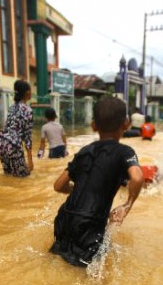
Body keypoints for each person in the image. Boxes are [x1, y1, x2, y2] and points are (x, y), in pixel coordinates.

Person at [50, 97, 144, 267]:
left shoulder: (85, 151)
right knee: (88, 278)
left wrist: (79, 190)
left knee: (58, 262)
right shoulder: (125, 152)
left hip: (64, 219)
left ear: (93, 125)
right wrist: (127, 205)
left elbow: (59, 185)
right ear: (126, 124)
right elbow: (137, 178)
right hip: (90, 224)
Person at [0, 80, 34, 176]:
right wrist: (30, 161)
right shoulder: (27, 110)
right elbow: (28, 137)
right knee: (24, 178)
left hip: (1, 144)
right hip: (13, 146)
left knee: (9, 177)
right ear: (27, 92)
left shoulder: (12, 108)